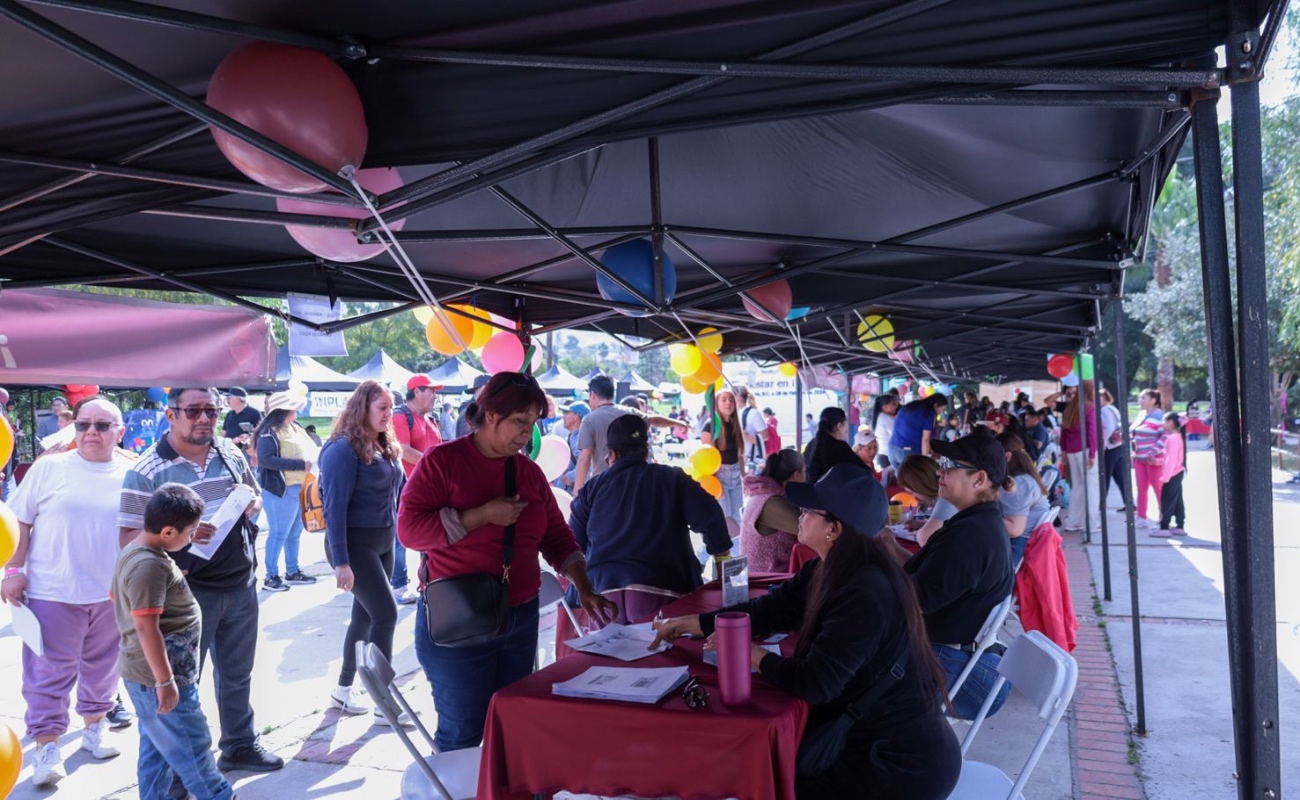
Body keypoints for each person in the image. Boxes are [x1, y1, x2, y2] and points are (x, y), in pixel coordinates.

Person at [651, 465, 960, 800]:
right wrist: (692, 624)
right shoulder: (828, 569)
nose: (799, 515)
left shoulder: (865, 593)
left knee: (762, 780)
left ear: (834, 530)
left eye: (809, 511)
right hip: (860, 739)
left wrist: (752, 655)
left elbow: (817, 683)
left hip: (897, 765)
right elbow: (769, 611)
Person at [398, 371, 617, 751]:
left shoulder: (527, 472)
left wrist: (584, 586)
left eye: (533, 423)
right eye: (520, 421)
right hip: (458, 622)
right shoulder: (442, 462)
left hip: (519, 618)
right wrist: (480, 515)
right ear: (491, 415)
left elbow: (556, 536)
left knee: (511, 725)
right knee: (463, 735)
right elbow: (410, 530)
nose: (527, 432)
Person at [118, 387, 282, 774]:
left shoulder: (228, 451)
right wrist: (186, 533)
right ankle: (177, 768)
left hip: (239, 582)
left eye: (211, 409)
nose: (204, 418)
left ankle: (239, 745)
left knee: (238, 674)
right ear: (171, 414)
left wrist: (249, 503)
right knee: (181, 685)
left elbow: (254, 496)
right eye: (194, 410)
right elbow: (128, 540)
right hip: (186, 595)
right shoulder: (146, 470)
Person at [3, 396, 133, 787]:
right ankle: (47, 745)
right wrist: (13, 570)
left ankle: (95, 727)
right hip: (52, 590)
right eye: (83, 425)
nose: (91, 432)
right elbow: (19, 522)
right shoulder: (49, 468)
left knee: (103, 668)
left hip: (109, 593)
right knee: (48, 673)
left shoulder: (133, 472)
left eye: (102, 426)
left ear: (120, 432)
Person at [113, 483, 234, 800]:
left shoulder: (143, 554)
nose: (193, 537)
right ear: (168, 531)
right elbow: (146, 627)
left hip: (149, 678)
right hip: (161, 680)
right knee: (195, 754)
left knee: (158, 753)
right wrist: (165, 681)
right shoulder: (149, 565)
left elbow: (118, 595)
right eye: (191, 532)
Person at [890, 434, 1015, 720]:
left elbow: (915, 600)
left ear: (979, 479)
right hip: (958, 657)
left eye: (949, 464)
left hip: (961, 669)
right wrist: (889, 548)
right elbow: (928, 580)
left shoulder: (971, 536)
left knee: (852, 669)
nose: (939, 471)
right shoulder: (974, 522)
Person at [568, 414, 731, 621]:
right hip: (663, 587)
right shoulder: (672, 478)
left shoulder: (592, 488)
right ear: (646, 450)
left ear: (612, 454)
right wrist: (722, 563)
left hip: (604, 594)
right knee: (666, 652)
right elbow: (711, 516)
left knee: (609, 653)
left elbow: (572, 544)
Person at [319, 380, 409, 723]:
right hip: (354, 544)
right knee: (386, 614)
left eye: (391, 407)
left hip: (383, 541)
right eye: (382, 408)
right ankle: (384, 702)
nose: (389, 414)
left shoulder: (384, 444)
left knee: (365, 617)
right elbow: (334, 509)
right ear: (363, 408)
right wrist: (341, 562)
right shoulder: (342, 450)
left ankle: (343, 691)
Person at [253, 388, 317, 592]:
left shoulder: (294, 427)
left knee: (295, 532)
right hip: (280, 489)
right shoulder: (268, 433)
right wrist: (300, 465)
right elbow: (266, 460)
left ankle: (292, 570)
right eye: (294, 408)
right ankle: (271, 576)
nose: (297, 412)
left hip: (299, 487)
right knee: (279, 532)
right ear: (283, 410)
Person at [391, 375, 444, 605]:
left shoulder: (432, 419)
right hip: (408, 487)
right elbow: (402, 449)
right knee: (400, 538)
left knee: (431, 535)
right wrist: (432, 466)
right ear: (417, 391)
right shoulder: (400, 416)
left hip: (432, 487)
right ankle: (398, 585)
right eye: (431, 391)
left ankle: (428, 580)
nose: (435, 396)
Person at [574, 375, 676, 491]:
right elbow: (655, 420)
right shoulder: (629, 412)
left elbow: (584, 459)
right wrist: (679, 423)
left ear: (592, 395)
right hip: (633, 483)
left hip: (603, 486)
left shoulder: (589, 420)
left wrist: (577, 493)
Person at [739, 449, 805, 572]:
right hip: (769, 578)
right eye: (805, 472)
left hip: (767, 573)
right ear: (796, 475)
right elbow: (810, 532)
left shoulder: (765, 494)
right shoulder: (772, 502)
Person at [996, 432, 1051, 567]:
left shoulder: (1018, 484)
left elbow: (1014, 530)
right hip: (1025, 541)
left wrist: (980, 512)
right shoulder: (1023, 478)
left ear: (1007, 456)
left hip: (1018, 544)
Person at [1050, 381, 1099, 533]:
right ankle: (1091, 523)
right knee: (1090, 487)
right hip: (1085, 449)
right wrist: (1092, 454)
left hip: (1071, 451)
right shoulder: (1089, 406)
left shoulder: (1070, 407)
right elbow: (1092, 431)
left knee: (1077, 487)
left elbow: (1064, 431)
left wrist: (1064, 450)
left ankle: (1073, 521)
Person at [700, 389, 746, 525]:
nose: (728, 403)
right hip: (720, 475)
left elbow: (740, 455)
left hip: (736, 475)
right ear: (716, 403)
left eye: (731, 400)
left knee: (738, 516)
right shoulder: (711, 425)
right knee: (724, 516)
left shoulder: (735, 425)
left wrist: (744, 477)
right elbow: (706, 456)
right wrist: (715, 480)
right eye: (724, 399)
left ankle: (736, 546)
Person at [895, 454, 959, 546]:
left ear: (920, 486)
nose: (914, 497)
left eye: (912, 492)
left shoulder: (947, 496)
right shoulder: (949, 490)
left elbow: (925, 537)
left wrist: (891, 544)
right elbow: (947, 526)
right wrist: (923, 525)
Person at [1130, 389, 1166, 527]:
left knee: (1158, 489)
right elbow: (1133, 432)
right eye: (1139, 398)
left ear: (1153, 400)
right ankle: (1141, 516)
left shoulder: (1159, 415)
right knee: (1141, 488)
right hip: (1139, 459)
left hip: (1153, 460)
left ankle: (1164, 517)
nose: (1140, 400)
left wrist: (1153, 452)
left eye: (1143, 398)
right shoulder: (1141, 415)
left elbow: (1165, 436)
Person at [1151, 412, 1188, 537]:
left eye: (1163, 420)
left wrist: (1165, 477)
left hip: (1172, 474)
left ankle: (1164, 527)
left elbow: (1170, 460)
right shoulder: (1178, 437)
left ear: (1171, 422)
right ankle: (1179, 525)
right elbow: (1173, 458)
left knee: (1167, 499)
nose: (1162, 423)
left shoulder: (1172, 438)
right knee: (1177, 500)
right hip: (1178, 472)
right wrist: (1157, 461)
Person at [888, 394, 948, 469]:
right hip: (907, 452)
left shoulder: (911, 406)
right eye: (942, 409)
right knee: (916, 479)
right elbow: (925, 440)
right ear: (935, 405)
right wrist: (925, 462)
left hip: (892, 449)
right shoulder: (929, 412)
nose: (942, 412)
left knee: (901, 479)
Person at [802, 407, 858, 484]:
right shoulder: (841, 447)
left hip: (810, 492)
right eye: (845, 425)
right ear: (839, 426)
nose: (846, 430)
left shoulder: (811, 444)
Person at [1098, 389, 1127, 507]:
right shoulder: (1112, 408)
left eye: (1098, 397)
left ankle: (1101, 504)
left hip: (1110, 447)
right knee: (1120, 477)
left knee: (1104, 476)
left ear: (1105, 398)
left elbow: (1108, 427)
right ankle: (1128, 502)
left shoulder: (1104, 410)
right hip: (1118, 446)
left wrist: (1102, 443)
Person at [555, 401, 589, 489]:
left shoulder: (579, 437)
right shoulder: (574, 436)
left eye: (566, 413)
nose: (563, 416)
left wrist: (570, 477)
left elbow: (587, 464)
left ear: (576, 416)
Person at [220, 387, 261, 456]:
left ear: (239, 398)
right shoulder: (229, 414)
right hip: (229, 451)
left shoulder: (254, 413)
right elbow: (224, 433)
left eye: (229, 397)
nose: (227, 400)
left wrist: (249, 436)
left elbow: (261, 432)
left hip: (246, 453)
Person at [736, 385, 768, 469]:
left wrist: (744, 437)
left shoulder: (753, 413)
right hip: (738, 462)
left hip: (752, 463)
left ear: (738, 397)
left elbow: (765, 437)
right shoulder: (734, 414)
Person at [871, 393, 899, 464]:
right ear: (885, 407)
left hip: (883, 455)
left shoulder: (881, 417)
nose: (896, 406)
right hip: (887, 455)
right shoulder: (886, 418)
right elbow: (897, 434)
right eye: (893, 404)